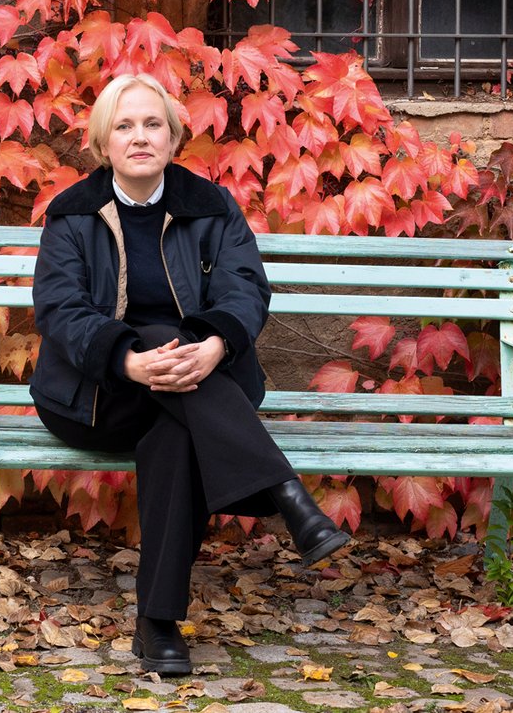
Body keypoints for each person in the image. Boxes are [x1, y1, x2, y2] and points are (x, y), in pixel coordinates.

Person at [28, 73, 352, 676]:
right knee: (154, 339)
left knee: (174, 429)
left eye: (153, 124)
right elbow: (59, 309)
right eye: (123, 126)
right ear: (103, 144)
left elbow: (245, 286)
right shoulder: (72, 214)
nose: (140, 137)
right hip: (98, 397)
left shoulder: (210, 206)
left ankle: (157, 624)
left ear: (174, 138)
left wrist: (215, 343)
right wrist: (126, 359)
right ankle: (283, 492)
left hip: (201, 383)